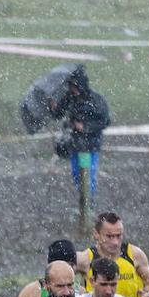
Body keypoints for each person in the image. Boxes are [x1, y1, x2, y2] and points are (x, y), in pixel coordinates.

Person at [74, 212, 149, 297]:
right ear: (96, 234)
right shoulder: (85, 258)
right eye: (109, 236)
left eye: (118, 236)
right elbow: (59, 277)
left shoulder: (134, 254)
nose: (115, 242)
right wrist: (77, 293)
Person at [53, 66, 110, 200]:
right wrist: (54, 107)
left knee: (88, 176)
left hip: (90, 146)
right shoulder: (69, 98)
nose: (72, 89)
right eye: (70, 86)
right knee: (76, 174)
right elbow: (58, 114)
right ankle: (84, 200)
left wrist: (85, 127)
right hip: (74, 144)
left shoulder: (97, 100)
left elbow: (104, 121)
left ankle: (88, 202)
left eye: (74, 86)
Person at [0, 239, 78, 297]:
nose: (66, 270)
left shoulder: (81, 291)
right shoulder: (33, 290)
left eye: (71, 265)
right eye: (62, 265)